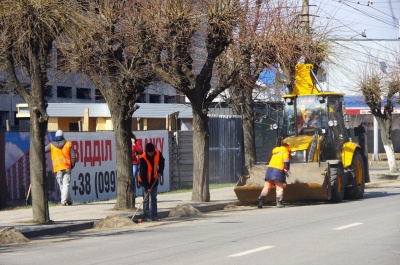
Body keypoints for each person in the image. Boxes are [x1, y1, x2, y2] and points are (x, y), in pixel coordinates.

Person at [45, 130, 76, 206]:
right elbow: (73, 156)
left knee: (62, 185)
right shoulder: (68, 144)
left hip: (57, 168)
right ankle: (64, 201)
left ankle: (67, 200)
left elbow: (43, 150)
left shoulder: (51, 145)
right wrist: (72, 165)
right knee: (66, 185)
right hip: (67, 167)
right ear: (63, 135)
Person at [258, 143, 290, 209]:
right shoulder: (285, 151)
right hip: (278, 171)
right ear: (287, 147)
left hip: (269, 170)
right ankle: (279, 203)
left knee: (266, 187)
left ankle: (260, 201)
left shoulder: (275, 152)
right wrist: (287, 168)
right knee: (279, 188)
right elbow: (286, 161)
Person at [138, 142, 165, 221]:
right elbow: (142, 174)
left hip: (154, 179)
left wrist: (160, 171)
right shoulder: (143, 158)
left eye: (152, 152)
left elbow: (162, 162)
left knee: (153, 198)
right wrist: (147, 187)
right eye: (149, 152)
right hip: (144, 181)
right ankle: (146, 216)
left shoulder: (158, 153)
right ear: (147, 152)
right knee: (146, 199)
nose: (151, 153)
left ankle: (154, 216)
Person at [131, 133, 143, 198]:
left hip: (135, 162)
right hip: (128, 163)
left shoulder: (137, 142)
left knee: (133, 176)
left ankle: (134, 193)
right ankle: (133, 193)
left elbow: (141, 151)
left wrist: (134, 144)